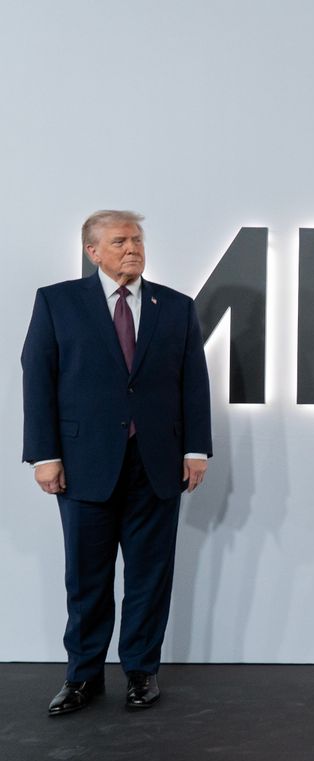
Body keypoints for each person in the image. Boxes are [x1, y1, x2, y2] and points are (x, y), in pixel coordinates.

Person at [22, 210, 213, 715]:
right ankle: (82, 677)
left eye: (137, 239)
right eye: (120, 241)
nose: (132, 248)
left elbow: (193, 381)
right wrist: (45, 455)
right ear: (93, 251)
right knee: (86, 578)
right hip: (83, 464)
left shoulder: (176, 306)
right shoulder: (57, 302)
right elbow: (37, 378)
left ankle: (141, 672)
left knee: (150, 576)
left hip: (157, 464)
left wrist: (196, 450)